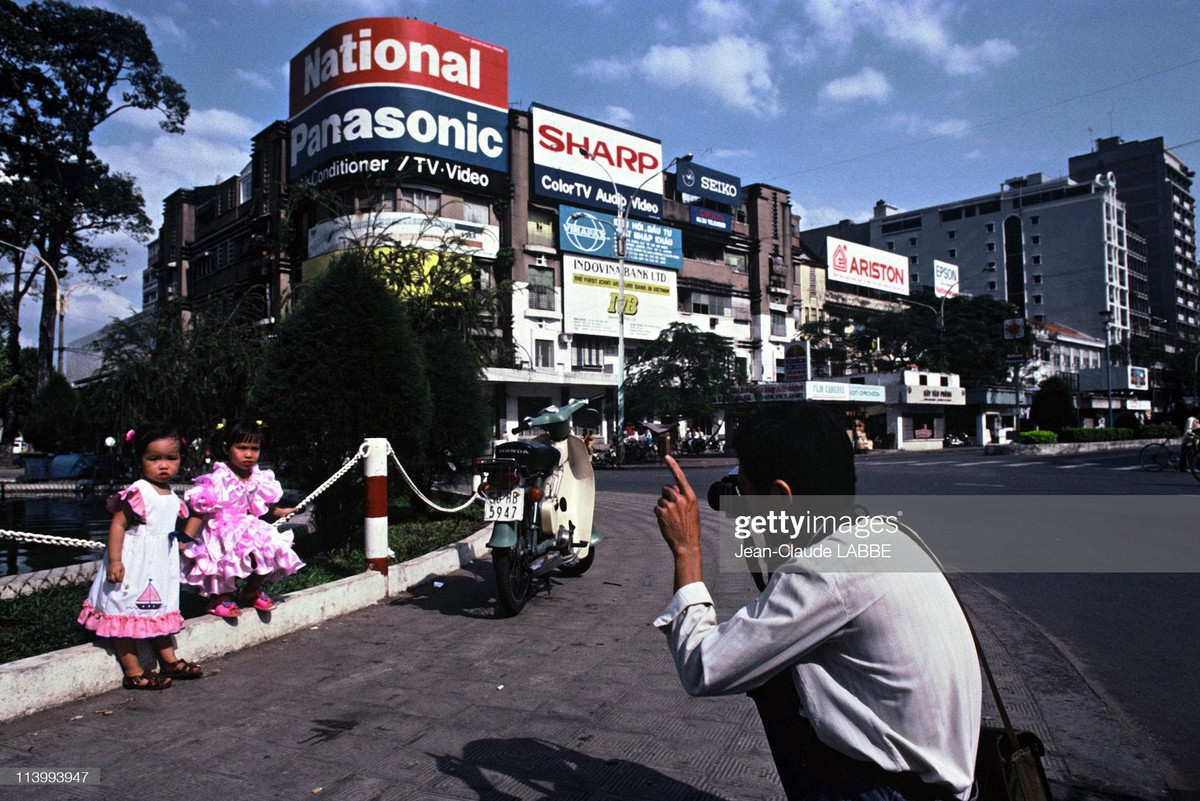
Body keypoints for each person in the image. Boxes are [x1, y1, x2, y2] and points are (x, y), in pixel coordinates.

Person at [652, 403, 981, 800]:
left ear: (780, 498)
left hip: (896, 793)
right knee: (777, 672)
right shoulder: (885, 537)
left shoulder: (827, 570)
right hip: (946, 781)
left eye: (746, 491)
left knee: (770, 678)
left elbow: (703, 668)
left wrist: (687, 549)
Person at [77, 423, 203, 690]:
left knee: (157, 610)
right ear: (140, 460)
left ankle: (168, 659)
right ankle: (134, 671)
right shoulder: (138, 492)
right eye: (154, 459)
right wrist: (115, 560)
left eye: (171, 458)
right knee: (124, 611)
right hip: (133, 566)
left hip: (157, 566)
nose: (163, 465)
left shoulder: (171, 494)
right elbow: (118, 525)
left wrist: (179, 546)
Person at [181, 419, 303, 617]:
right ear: (226, 447)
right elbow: (200, 510)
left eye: (254, 448)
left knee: (271, 546)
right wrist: (185, 538)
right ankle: (220, 597)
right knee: (222, 561)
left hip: (246, 525)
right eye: (242, 447)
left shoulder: (257, 477)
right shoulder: (219, 478)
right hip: (220, 528)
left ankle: (250, 591)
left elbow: (259, 507)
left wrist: (280, 512)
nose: (248, 454)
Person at [1179, 405, 1199, 472]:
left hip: (1194, 441)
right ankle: (1183, 468)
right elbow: (1188, 431)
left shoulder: (1197, 420)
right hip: (1189, 440)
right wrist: (1195, 435)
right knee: (1185, 454)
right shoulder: (1190, 419)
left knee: (1188, 454)